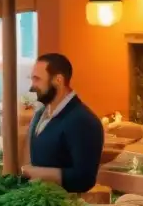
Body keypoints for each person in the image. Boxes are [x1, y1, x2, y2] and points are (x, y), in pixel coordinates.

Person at [22, 53, 104, 193]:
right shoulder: (40, 113)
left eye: (37, 80)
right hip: (37, 201)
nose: (32, 87)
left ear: (58, 80)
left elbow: (84, 179)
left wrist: (32, 173)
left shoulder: (83, 120)